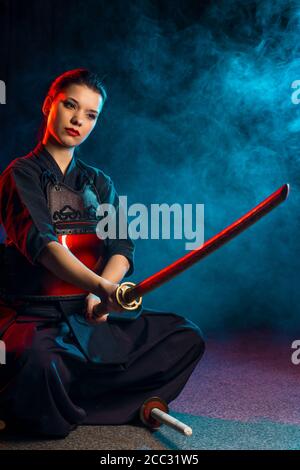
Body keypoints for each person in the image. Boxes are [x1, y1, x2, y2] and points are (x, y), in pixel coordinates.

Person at [0, 68, 205, 438]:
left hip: (92, 313)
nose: (78, 120)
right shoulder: (20, 174)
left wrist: (101, 292)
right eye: (70, 106)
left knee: (185, 336)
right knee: (39, 365)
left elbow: (121, 247)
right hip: (37, 316)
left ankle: (77, 395)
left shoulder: (99, 182)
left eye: (91, 115)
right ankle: (105, 399)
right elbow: (44, 247)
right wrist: (105, 288)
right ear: (50, 105)